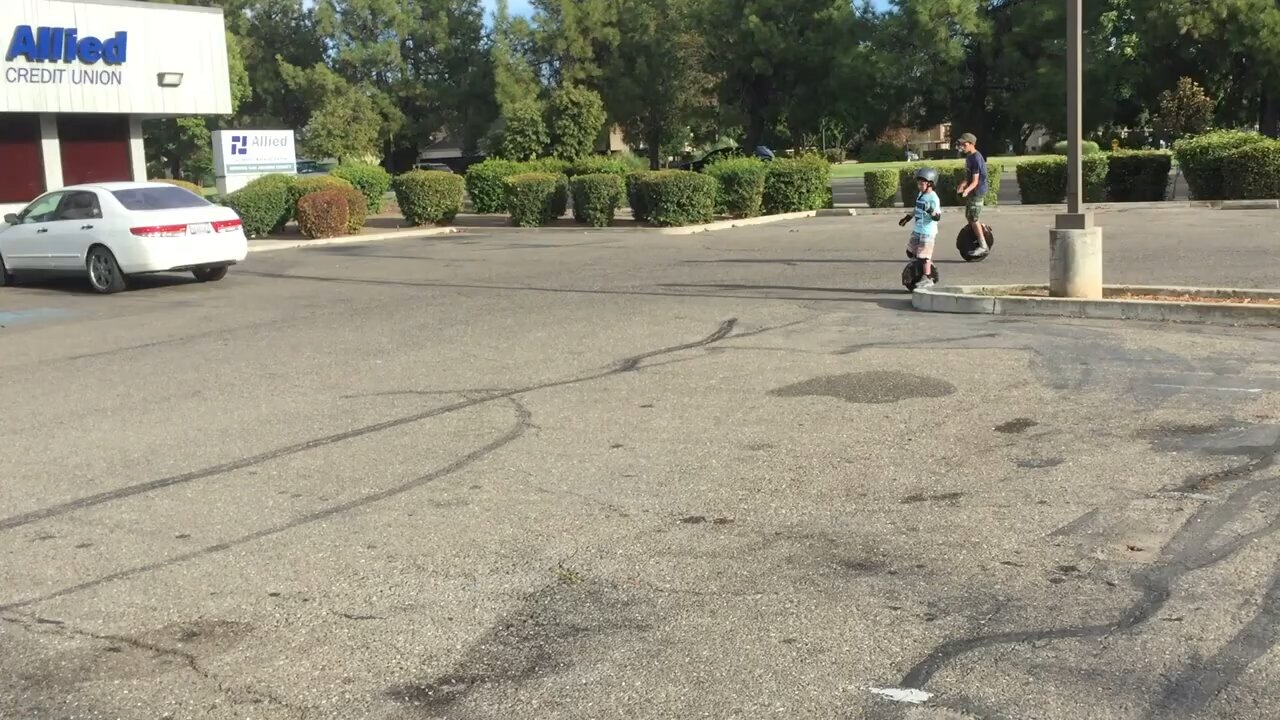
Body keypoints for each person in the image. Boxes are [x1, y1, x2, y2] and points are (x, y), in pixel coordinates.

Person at [898, 168, 942, 288]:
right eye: (918, 184)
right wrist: (907, 218)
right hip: (918, 229)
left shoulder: (934, 198)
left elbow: (937, 217)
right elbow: (916, 208)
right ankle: (923, 266)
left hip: (928, 231)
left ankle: (927, 277)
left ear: (930, 184)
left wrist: (929, 210)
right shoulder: (920, 194)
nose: (919, 186)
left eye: (922, 184)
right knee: (910, 251)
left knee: (923, 257)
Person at [955, 132, 989, 256]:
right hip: (972, 191)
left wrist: (966, 191)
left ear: (971, 144)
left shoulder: (976, 158)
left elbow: (975, 181)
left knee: (974, 219)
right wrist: (963, 185)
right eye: (961, 144)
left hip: (978, 192)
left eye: (964, 144)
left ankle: (983, 246)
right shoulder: (969, 157)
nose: (961, 146)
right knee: (969, 217)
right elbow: (968, 178)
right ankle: (983, 228)